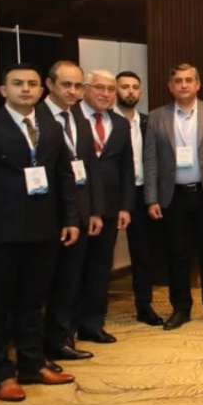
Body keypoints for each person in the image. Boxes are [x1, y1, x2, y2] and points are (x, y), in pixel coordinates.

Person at [0, 64, 80, 401]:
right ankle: (0, 372)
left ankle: (32, 363)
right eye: (17, 83)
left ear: (42, 90)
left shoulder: (51, 127)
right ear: (3, 90)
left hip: (43, 229)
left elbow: (64, 176)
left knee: (33, 302)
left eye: (32, 84)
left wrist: (70, 218)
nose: (26, 89)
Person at [145, 63, 203, 330]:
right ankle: (181, 309)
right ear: (170, 87)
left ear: (198, 84)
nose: (183, 85)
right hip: (173, 197)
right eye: (178, 81)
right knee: (177, 255)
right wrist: (151, 198)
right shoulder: (156, 116)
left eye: (188, 80)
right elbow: (150, 160)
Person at [39, 60, 102, 362]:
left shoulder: (79, 118)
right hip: (45, 215)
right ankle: (38, 345)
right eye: (66, 84)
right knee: (43, 283)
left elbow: (89, 168)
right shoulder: (35, 118)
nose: (73, 91)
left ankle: (61, 338)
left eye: (78, 86)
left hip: (79, 213)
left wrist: (93, 211)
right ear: (49, 85)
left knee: (70, 279)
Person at [74, 69, 136, 344]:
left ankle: (93, 324)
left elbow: (126, 168)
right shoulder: (70, 118)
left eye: (111, 89)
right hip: (76, 207)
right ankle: (65, 329)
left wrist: (125, 206)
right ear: (85, 89)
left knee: (100, 268)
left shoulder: (120, 124)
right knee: (72, 269)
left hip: (110, 207)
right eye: (99, 88)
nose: (106, 94)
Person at [115, 71, 163, 326]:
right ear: (116, 90)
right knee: (99, 254)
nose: (130, 91)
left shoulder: (147, 122)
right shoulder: (106, 121)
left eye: (135, 87)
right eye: (124, 86)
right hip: (111, 195)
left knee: (143, 253)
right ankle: (89, 312)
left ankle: (144, 306)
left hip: (141, 192)